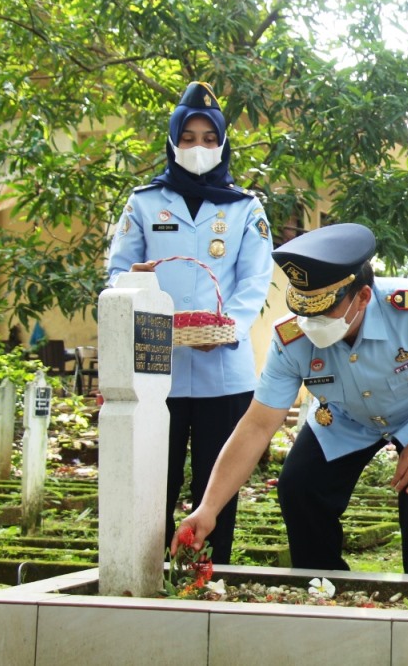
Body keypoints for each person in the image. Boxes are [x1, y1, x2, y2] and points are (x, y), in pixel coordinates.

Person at [172, 223, 408, 574]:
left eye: (324, 310)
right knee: (299, 488)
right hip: (344, 417)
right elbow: (257, 425)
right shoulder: (290, 339)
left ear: (363, 296)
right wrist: (208, 508)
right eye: (304, 309)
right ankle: (324, 586)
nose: (311, 321)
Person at [107, 81, 274, 564]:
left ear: (221, 144)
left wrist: (227, 328)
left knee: (215, 484)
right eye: (188, 137)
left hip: (225, 368)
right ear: (172, 141)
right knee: (152, 478)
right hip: (157, 365)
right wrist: (131, 280)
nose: (197, 147)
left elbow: (254, 281)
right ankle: (146, 571)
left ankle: (208, 574)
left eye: (208, 138)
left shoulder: (245, 207)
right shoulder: (143, 202)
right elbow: (117, 270)